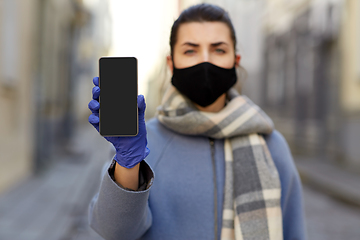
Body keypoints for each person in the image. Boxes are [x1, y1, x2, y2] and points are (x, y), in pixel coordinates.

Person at [87, 3, 307, 240]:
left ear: (236, 60)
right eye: (190, 51)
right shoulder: (140, 143)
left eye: (219, 50)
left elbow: (294, 233)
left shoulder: (272, 147)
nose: (205, 61)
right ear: (171, 64)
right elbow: (114, 232)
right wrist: (128, 163)